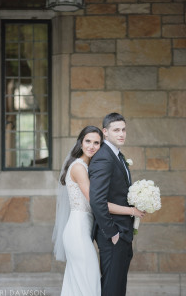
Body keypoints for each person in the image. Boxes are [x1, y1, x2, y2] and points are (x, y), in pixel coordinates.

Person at [52, 124, 145, 296]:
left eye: (96, 143)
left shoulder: (89, 167)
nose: (91, 146)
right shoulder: (79, 168)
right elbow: (97, 203)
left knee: (79, 282)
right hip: (77, 232)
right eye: (88, 141)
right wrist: (132, 211)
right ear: (80, 143)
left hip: (85, 230)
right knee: (89, 281)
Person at [89, 112, 146, 296]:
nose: (121, 134)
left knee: (118, 287)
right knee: (112, 288)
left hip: (123, 232)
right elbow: (97, 200)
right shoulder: (104, 157)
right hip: (113, 234)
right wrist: (113, 233)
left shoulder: (118, 155)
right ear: (105, 132)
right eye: (116, 130)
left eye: (123, 129)